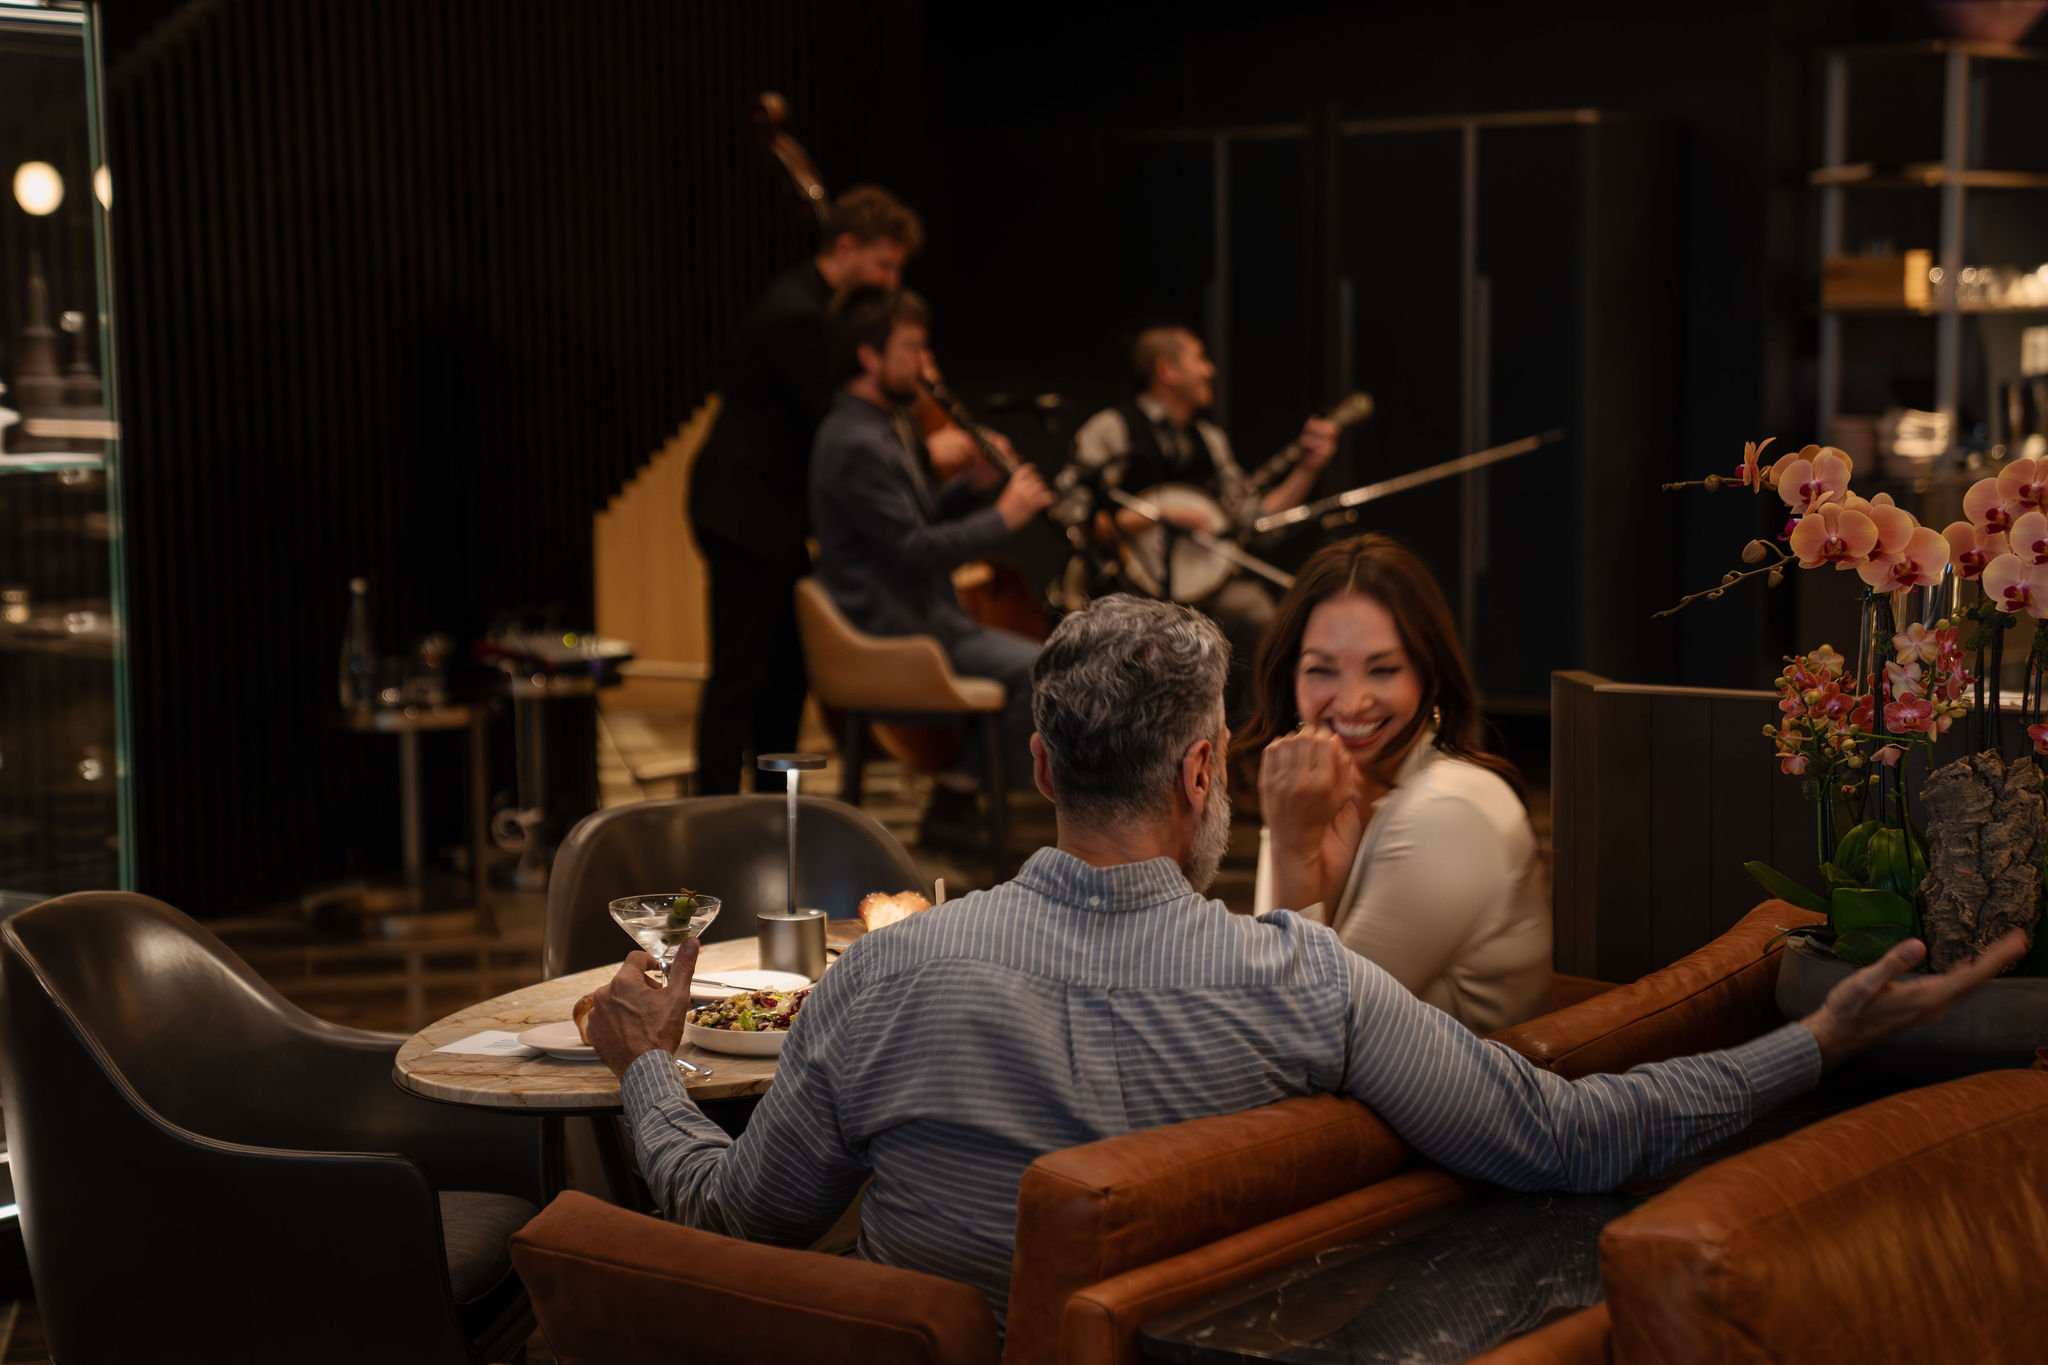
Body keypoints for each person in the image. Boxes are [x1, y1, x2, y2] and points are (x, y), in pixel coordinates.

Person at [582, 592, 2024, 1324]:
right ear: (1207, 766)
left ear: (1037, 762)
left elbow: (741, 1222)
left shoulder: (884, 981)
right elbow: (1573, 1137)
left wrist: (649, 1073)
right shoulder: (1303, 983)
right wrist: (1821, 1039)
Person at [689, 186, 958, 795]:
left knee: (786, 675)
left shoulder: (820, 308)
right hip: (745, 515)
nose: (891, 282)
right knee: (742, 677)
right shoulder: (798, 314)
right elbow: (833, 419)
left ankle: (771, 817)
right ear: (845, 247)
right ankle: (710, 815)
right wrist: (919, 448)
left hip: (775, 520)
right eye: (884, 265)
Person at [1243, 535, 1549, 1033]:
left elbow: (1304, 1036)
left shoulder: (1451, 810)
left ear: (1430, 676)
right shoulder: (1318, 789)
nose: (1351, 702)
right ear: (1289, 678)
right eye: (1322, 670)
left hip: (1464, 1107)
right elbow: (1267, 992)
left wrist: (1294, 850)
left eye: (1383, 670)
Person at [807, 285, 1053, 833]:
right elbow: (912, 551)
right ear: (870, 356)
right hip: (896, 629)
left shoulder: (882, 425)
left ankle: (962, 798)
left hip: (922, 616)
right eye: (913, 348)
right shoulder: (855, 440)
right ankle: (960, 799)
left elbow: (913, 522)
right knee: (1047, 672)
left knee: (1048, 662)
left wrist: (972, 486)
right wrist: (1004, 517)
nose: (925, 364)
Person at [1072, 324, 1339, 725]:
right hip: (1125, 591)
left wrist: (1307, 469)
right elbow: (1074, 519)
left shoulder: (1210, 440)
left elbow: (1252, 520)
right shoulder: (1110, 430)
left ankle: (1241, 744)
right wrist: (1154, 519)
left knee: (1261, 618)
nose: (1210, 370)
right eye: (1200, 358)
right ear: (1167, 371)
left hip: (1205, 591)